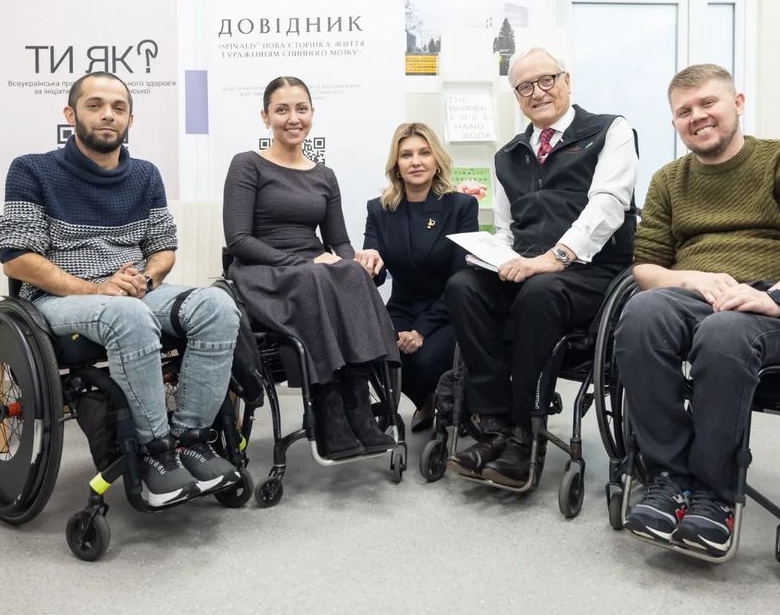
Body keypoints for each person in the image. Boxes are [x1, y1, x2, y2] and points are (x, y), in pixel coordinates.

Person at [615, 63, 780, 557]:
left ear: (737, 103)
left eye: (708, 103)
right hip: (698, 293)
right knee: (640, 315)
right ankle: (668, 478)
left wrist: (777, 296)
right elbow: (647, 267)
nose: (697, 116)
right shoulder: (669, 180)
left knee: (725, 333)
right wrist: (692, 278)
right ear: (675, 122)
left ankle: (714, 492)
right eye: (684, 111)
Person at [0, 71, 242, 508]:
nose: (108, 114)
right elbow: (17, 257)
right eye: (95, 105)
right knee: (129, 316)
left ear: (130, 119)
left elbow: (163, 247)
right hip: (59, 299)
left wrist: (146, 279)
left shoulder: (145, 175)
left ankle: (192, 439)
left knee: (217, 305)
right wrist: (95, 288)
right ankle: (156, 451)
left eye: (118, 107)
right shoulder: (32, 169)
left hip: (133, 292)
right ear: (70, 113)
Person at [444, 47, 638, 487]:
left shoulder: (609, 130)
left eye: (546, 80)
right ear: (517, 97)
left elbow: (609, 205)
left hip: (592, 270)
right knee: (462, 286)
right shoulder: (508, 155)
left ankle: (523, 432)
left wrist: (556, 258)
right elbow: (508, 229)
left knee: (540, 291)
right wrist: (492, 255)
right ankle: (493, 424)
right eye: (525, 87)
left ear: (566, 81)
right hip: (531, 265)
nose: (537, 92)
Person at [222, 76, 399, 460]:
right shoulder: (247, 164)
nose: (293, 118)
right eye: (282, 110)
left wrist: (356, 259)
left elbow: (339, 241)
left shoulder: (324, 175)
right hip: (261, 270)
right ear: (265, 116)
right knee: (316, 275)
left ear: (312, 114)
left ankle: (358, 403)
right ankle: (327, 408)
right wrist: (305, 261)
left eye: (301, 109)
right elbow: (238, 240)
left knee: (352, 273)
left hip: (313, 271)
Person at [359, 123, 479, 433]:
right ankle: (427, 400)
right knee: (377, 353)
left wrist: (421, 331)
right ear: (396, 165)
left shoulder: (462, 206)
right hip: (403, 306)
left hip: (448, 309)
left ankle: (452, 401)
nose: (416, 161)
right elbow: (376, 274)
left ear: (436, 160)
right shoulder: (379, 210)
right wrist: (368, 264)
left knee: (423, 360)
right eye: (406, 155)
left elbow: (460, 278)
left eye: (424, 153)